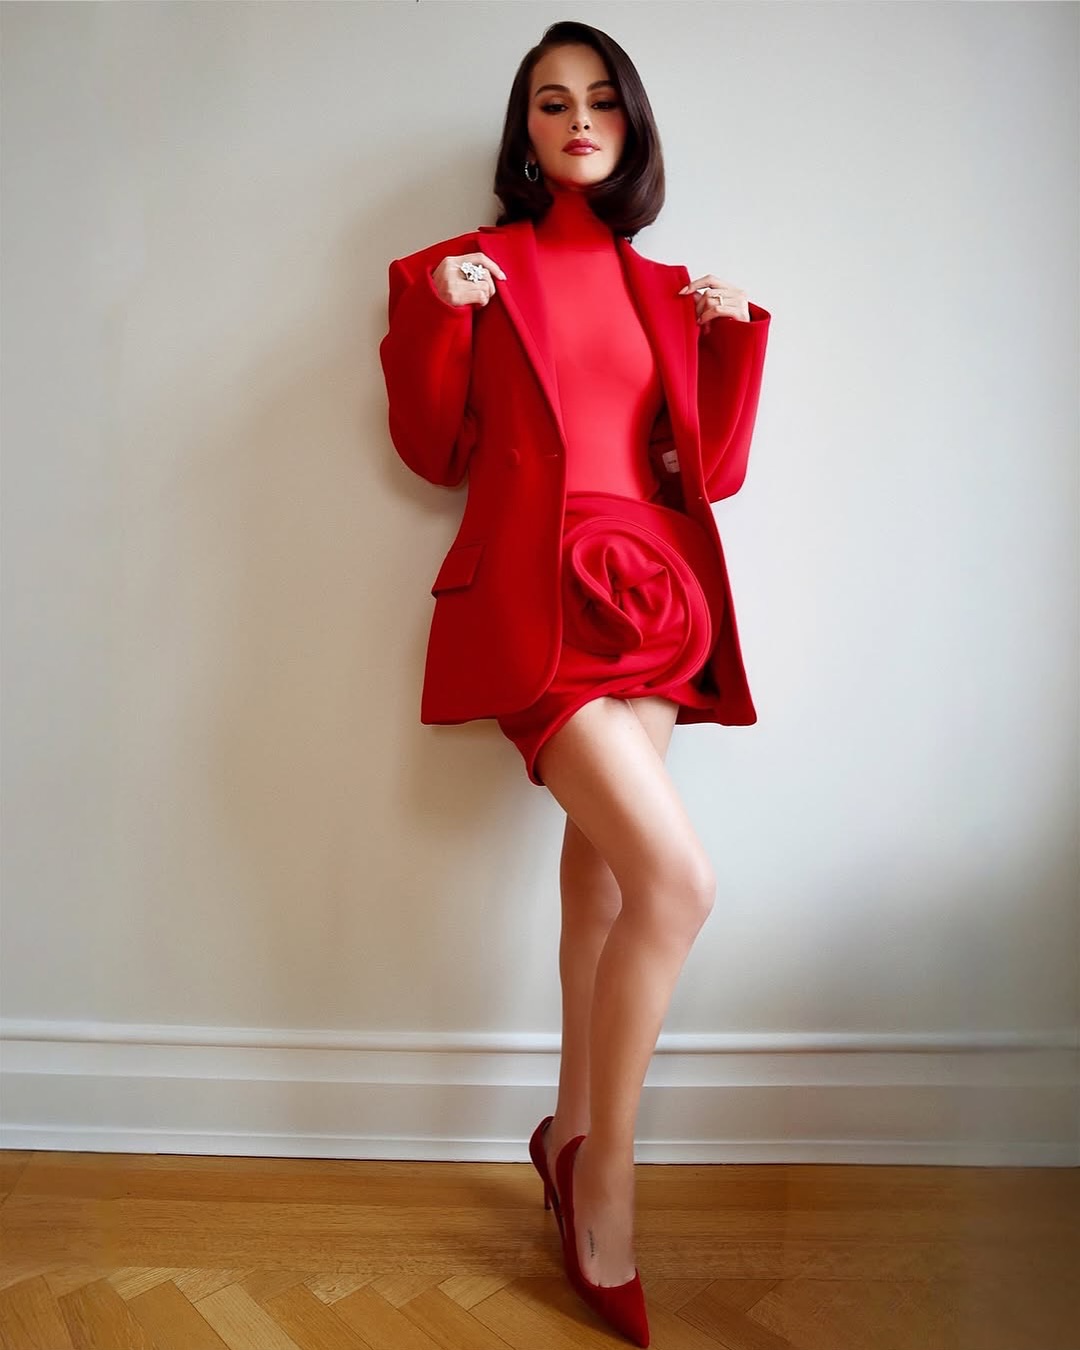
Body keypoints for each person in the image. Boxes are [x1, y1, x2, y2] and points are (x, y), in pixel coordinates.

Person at [379, 20, 770, 1347]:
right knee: (680, 882)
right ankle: (607, 1174)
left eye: (601, 99)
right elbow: (431, 448)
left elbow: (711, 471)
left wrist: (731, 344)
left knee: (605, 880)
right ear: (526, 131)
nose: (580, 119)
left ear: (632, 124)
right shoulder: (466, 269)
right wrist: (439, 318)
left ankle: (567, 1130)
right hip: (537, 598)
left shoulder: (668, 289)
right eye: (552, 103)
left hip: (652, 596)